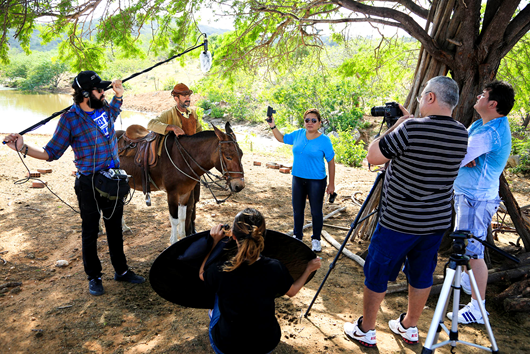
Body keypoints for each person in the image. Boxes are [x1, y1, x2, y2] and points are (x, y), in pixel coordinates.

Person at [343, 76, 469, 347]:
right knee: (422, 273)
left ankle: (366, 329)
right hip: (435, 222)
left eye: (424, 95)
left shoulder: (410, 128)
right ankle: (409, 326)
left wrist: (398, 124)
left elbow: (373, 156)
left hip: (398, 222)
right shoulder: (462, 132)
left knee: (376, 272)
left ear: (431, 97)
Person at [3, 71, 145, 296]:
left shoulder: (105, 108)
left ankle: (122, 270)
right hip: (88, 182)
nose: (104, 92)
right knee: (90, 231)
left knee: (115, 228)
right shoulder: (69, 119)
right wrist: (22, 147)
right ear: (87, 94)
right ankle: (94, 276)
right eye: (100, 90)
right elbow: (51, 153)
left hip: (113, 179)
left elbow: (116, 108)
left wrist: (119, 94)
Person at [199, 208, 321, 354]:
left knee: (218, 295)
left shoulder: (221, 270)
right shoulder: (275, 267)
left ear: (234, 237)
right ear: (262, 236)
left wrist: (214, 242)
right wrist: (308, 269)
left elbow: (202, 273)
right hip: (265, 344)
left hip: (227, 346)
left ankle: (214, 314)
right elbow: (292, 291)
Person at [447, 80, 515, 325]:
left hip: (477, 199)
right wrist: (464, 156)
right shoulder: (481, 124)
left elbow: (457, 154)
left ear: (493, 103)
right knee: (465, 246)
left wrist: (463, 156)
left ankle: (478, 306)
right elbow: (461, 150)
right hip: (467, 195)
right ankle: (469, 281)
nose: (478, 97)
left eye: (483, 95)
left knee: (474, 253)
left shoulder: (491, 132)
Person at [267, 108, 335, 252]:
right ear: (304, 122)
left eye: (313, 120)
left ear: (319, 123)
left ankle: (316, 239)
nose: (310, 123)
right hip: (298, 178)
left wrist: (332, 184)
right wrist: (273, 126)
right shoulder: (298, 134)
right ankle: (297, 236)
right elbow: (281, 138)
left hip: (316, 180)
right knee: (298, 210)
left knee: (316, 211)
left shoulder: (324, 140)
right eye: (307, 120)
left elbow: (331, 162)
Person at [147, 83, 202, 234]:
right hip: (177, 164)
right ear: (176, 98)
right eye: (184, 96)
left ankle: (191, 227)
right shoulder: (169, 114)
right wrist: (172, 127)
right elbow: (151, 124)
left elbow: (199, 133)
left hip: (192, 164)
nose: (188, 98)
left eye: (188, 95)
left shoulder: (193, 114)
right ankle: (186, 232)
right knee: (185, 200)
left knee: (193, 200)